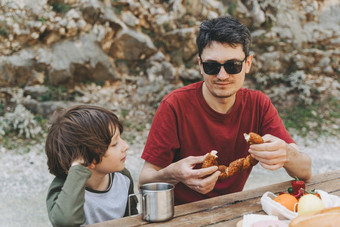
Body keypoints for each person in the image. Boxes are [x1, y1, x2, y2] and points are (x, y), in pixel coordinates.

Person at [138, 16, 311, 205]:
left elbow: (305, 171)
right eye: (212, 66)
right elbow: (144, 181)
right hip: (181, 214)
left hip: (232, 210)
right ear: (200, 65)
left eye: (232, 66)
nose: (222, 75)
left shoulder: (258, 104)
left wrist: (286, 153)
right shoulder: (174, 105)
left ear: (248, 64)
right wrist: (173, 174)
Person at [45, 105, 138, 226]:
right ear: (88, 156)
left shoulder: (123, 178)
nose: (126, 146)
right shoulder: (64, 188)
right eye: (114, 144)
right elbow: (66, 222)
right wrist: (78, 169)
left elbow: (132, 220)